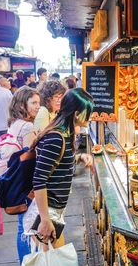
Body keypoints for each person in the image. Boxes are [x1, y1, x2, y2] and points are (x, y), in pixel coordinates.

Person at [32, 88, 94, 248]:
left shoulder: (65, 134)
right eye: (88, 112)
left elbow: (57, 162)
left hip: (55, 210)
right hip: (48, 212)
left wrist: (79, 157)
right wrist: (45, 220)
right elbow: (39, 180)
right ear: (76, 114)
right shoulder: (56, 137)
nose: (90, 116)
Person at [6, 86, 40, 264]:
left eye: (38, 103)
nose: (37, 106)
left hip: (15, 182)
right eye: (33, 102)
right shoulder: (27, 126)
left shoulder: (14, 123)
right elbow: (30, 160)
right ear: (22, 104)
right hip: (25, 184)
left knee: (22, 227)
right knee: (26, 229)